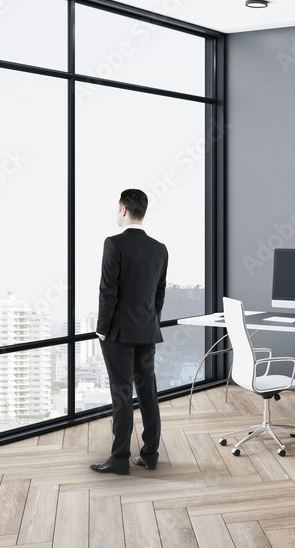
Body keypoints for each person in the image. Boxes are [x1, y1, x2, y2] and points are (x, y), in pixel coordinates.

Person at [90, 189, 168, 475]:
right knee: (148, 393)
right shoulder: (160, 248)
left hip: (119, 333)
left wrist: (102, 329)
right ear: (142, 211)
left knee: (122, 395)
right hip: (148, 331)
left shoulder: (114, 244)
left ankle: (120, 458)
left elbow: (107, 290)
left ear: (123, 210)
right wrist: (151, 322)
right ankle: (150, 454)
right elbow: (159, 295)